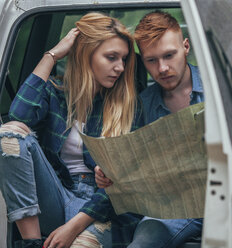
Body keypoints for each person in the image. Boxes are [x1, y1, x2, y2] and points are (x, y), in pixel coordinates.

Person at [44, 10, 204, 248]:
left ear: (186, 46)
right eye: (151, 60)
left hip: (224, 198)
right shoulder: (142, 105)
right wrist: (106, 173)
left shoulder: (221, 94)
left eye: (169, 55)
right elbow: (130, 166)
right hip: (169, 207)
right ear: (142, 60)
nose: (162, 68)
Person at [0, 12, 137, 248]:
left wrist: (72, 228)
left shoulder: (127, 106)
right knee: (9, 135)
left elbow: (122, 186)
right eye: (112, 57)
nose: (120, 67)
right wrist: (51, 56)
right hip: (56, 193)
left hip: (101, 209)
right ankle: (31, 243)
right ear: (87, 55)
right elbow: (17, 117)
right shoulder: (55, 94)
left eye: (123, 59)